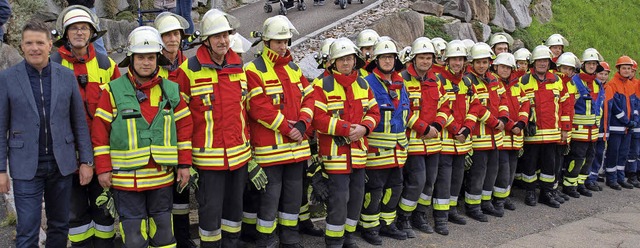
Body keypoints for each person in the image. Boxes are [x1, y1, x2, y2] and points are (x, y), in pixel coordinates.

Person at [93, 26, 193, 247]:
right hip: (126, 181)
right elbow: (100, 134)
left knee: (164, 232)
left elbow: (185, 130)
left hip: (161, 178)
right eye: (140, 57)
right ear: (131, 59)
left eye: (150, 57)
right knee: (134, 234)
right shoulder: (112, 90)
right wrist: (103, 169)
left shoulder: (171, 91)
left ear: (158, 59)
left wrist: (185, 164)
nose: (146, 62)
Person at [0, 19, 93, 247]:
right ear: (21, 46)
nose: (35, 48)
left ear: (50, 45)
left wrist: (87, 161)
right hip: (25, 166)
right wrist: (1, 169)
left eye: (40, 42)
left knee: (60, 225)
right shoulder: (7, 79)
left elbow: (79, 122)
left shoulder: (65, 76)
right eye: (29, 43)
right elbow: (1, 127)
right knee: (27, 230)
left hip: (61, 164)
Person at [173, 9, 254, 248]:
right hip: (208, 162)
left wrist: (251, 156)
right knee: (209, 215)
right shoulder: (188, 71)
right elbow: (182, 121)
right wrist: (185, 162)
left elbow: (244, 113)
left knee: (233, 212)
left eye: (226, 35)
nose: (223, 41)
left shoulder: (238, 66)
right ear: (206, 40)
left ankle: (231, 243)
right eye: (217, 36)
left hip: (239, 158)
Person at [50, 5, 120, 247]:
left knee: (104, 210)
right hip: (66, 155)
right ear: (65, 33)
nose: (80, 33)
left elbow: (119, 107)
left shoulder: (106, 65)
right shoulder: (52, 65)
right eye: (74, 29)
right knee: (75, 212)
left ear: (92, 33)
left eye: (84, 28)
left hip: (100, 152)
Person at [245, 15, 314, 248]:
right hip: (270, 150)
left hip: (296, 148)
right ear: (266, 42)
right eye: (278, 42)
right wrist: (289, 129)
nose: (283, 46)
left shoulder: (294, 69)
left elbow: (310, 98)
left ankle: (290, 237)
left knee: (293, 197)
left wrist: (303, 124)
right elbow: (258, 108)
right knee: (269, 197)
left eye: (286, 41)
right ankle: (267, 238)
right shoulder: (253, 69)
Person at [312, 37, 380, 248]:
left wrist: (365, 128)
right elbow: (317, 118)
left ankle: (348, 235)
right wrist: (346, 128)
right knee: (338, 200)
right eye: (341, 59)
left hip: (358, 153)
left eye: (349, 58)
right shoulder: (322, 84)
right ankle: (333, 240)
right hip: (335, 155)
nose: (346, 63)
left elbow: (375, 112)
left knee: (356, 198)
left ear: (355, 60)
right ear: (332, 62)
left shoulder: (362, 84)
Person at [358, 37, 409, 245]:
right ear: (375, 60)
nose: (387, 61)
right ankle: (369, 227)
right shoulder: (368, 82)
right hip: (376, 151)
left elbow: (404, 112)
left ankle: (387, 224)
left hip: (398, 151)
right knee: (374, 191)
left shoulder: (400, 83)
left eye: (390, 57)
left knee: (395, 188)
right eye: (383, 57)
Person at [399, 37, 451, 236]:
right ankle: (404, 217)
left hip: (434, 141)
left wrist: (437, 125)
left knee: (430, 181)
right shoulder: (402, 79)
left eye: (429, 58)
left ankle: (419, 215)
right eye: (422, 58)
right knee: (417, 181)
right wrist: (423, 128)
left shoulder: (437, 80)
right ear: (413, 58)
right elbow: (402, 110)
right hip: (413, 142)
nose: (426, 62)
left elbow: (445, 106)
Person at [518, 45, 569, 208]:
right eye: (539, 60)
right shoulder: (524, 81)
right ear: (533, 62)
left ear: (549, 63)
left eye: (545, 60)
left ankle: (546, 194)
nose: (542, 63)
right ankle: (530, 192)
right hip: (532, 133)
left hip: (552, 133)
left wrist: (565, 129)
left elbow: (565, 106)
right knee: (530, 164)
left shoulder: (557, 81)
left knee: (549, 166)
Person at [463, 43, 508, 221]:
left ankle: (486, 202)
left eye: (484, 62)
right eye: (478, 62)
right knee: (478, 173)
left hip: (496, 137)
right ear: (472, 63)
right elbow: (477, 108)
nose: (482, 65)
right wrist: (495, 121)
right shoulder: (468, 80)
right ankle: (473, 206)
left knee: (492, 171)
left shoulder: (494, 79)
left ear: (490, 62)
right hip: (479, 137)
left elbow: (503, 100)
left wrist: (504, 119)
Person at [437, 40, 480, 228]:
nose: (457, 63)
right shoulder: (439, 80)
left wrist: (467, 128)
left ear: (464, 61)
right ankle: (440, 217)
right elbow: (440, 107)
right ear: (447, 60)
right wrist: (456, 130)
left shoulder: (467, 81)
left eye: (460, 59)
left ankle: (452, 210)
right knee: (444, 180)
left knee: (457, 179)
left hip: (462, 141)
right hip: (445, 141)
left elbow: (476, 106)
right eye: (453, 59)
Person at [562, 48, 606, 198]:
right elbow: (568, 107)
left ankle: (581, 184)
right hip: (578, 130)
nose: (592, 66)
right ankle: (569, 185)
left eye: (594, 64)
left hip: (593, 131)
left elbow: (598, 107)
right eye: (589, 63)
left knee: (589, 158)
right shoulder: (575, 81)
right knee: (576, 158)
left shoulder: (597, 84)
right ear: (583, 65)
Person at [492, 52, 529, 213]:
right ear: (496, 67)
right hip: (502, 137)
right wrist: (512, 125)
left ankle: (505, 196)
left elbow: (525, 105)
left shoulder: (517, 85)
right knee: (502, 170)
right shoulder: (494, 84)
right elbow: (497, 111)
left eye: (508, 67)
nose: (505, 70)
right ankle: (499, 200)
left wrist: (521, 123)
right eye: (502, 67)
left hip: (516, 136)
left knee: (511, 169)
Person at [602, 56, 638, 190]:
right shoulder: (613, 84)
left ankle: (620, 177)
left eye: (629, 68)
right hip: (617, 126)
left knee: (623, 153)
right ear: (619, 69)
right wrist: (627, 121)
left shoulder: (630, 85)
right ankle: (611, 179)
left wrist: (634, 119)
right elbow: (615, 107)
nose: (627, 71)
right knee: (614, 152)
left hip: (628, 127)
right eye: (624, 68)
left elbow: (634, 105)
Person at [552, 52, 578, 205]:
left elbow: (570, 109)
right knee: (553, 162)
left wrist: (567, 129)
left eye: (570, 69)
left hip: (565, 129)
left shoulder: (571, 84)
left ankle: (555, 189)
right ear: (558, 67)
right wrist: (563, 129)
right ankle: (552, 190)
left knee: (559, 161)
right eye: (564, 68)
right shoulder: (557, 82)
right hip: (557, 129)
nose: (567, 72)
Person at [586, 61, 611, 191]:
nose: (603, 76)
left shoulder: (609, 88)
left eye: (605, 74)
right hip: (594, 128)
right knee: (591, 154)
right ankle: (588, 179)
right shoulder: (592, 87)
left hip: (603, 128)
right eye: (600, 73)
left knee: (598, 154)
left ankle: (593, 178)